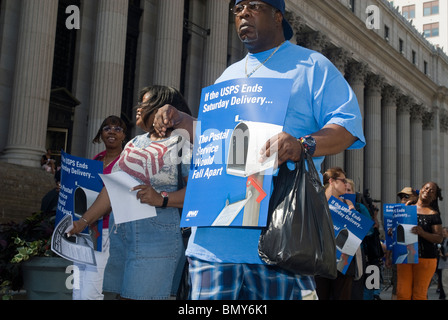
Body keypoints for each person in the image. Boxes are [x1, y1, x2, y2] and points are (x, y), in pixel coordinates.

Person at [153, 0, 365, 300]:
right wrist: (183, 120)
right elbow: (217, 142)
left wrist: (302, 144)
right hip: (213, 244)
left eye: (253, 5)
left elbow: (348, 127)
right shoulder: (227, 76)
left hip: (282, 245)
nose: (243, 13)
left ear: (278, 15)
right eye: (237, 8)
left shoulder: (313, 66)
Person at [69, 85, 193, 300]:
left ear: (163, 108)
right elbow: (112, 188)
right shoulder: (134, 143)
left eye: (145, 103)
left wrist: (161, 198)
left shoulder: (182, 143)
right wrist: (84, 221)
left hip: (158, 240)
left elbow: (196, 193)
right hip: (123, 238)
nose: (138, 108)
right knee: (119, 296)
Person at [72, 115, 127, 300]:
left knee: (91, 289)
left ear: (123, 136)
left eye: (117, 129)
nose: (112, 132)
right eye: (107, 128)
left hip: (106, 230)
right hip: (84, 229)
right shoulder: (95, 159)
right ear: (101, 134)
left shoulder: (125, 161)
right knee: (77, 285)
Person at [396, 181, 444, 300]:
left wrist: (422, 233)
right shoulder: (406, 208)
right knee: (402, 292)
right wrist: (392, 232)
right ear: (421, 189)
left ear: (434, 197)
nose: (428, 191)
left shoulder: (434, 214)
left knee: (419, 294)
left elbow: (439, 238)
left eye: (432, 191)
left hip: (426, 258)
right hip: (405, 255)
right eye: (426, 188)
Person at [314, 168, 357, 300]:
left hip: (342, 262)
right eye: (343, 180)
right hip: (320, 260)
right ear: (332, 181)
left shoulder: (347, 203)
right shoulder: (317, 201)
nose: (346, 184)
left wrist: (353, 218)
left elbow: (355, 235)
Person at [438, 227, 448, 299]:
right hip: (443, 263)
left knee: (445, 282)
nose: (443, 233)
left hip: (446, 264)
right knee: (444, 282)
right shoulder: (443, 240)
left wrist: (443, 255)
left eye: (444, 232)